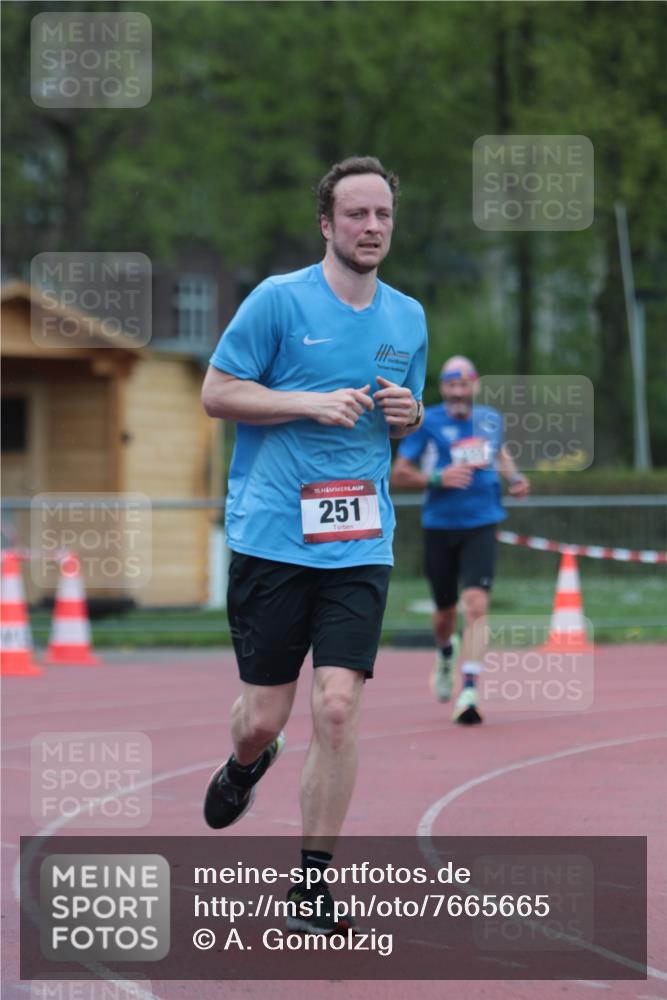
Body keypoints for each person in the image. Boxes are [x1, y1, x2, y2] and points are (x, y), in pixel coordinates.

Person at [201, 156, 427, 932]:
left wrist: (410, 413)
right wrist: (307, 404)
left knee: (336, 708)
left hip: (359, 539)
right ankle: (246, 761)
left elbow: (405, 419)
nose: (371, 228)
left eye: (382, 216)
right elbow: (217, 392)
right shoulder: (276, 301)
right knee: (265, 716)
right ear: (327, 224)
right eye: (356, 215)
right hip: (272, 535)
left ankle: (311, 885)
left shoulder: (408, 317)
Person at [390, 355, 529, 724]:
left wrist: (514, 478)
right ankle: (445, 652)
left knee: (477, 605)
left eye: (463, 385)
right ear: (442, 389)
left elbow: (498, 451)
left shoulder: (489, 419)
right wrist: (437, 478)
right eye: (451, 386)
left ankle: (469, 689)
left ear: (475, 386)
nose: (457, 392)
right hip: (439, 526)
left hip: (482, 523)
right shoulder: (426, 421)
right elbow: (399, 474)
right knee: (445, 614)